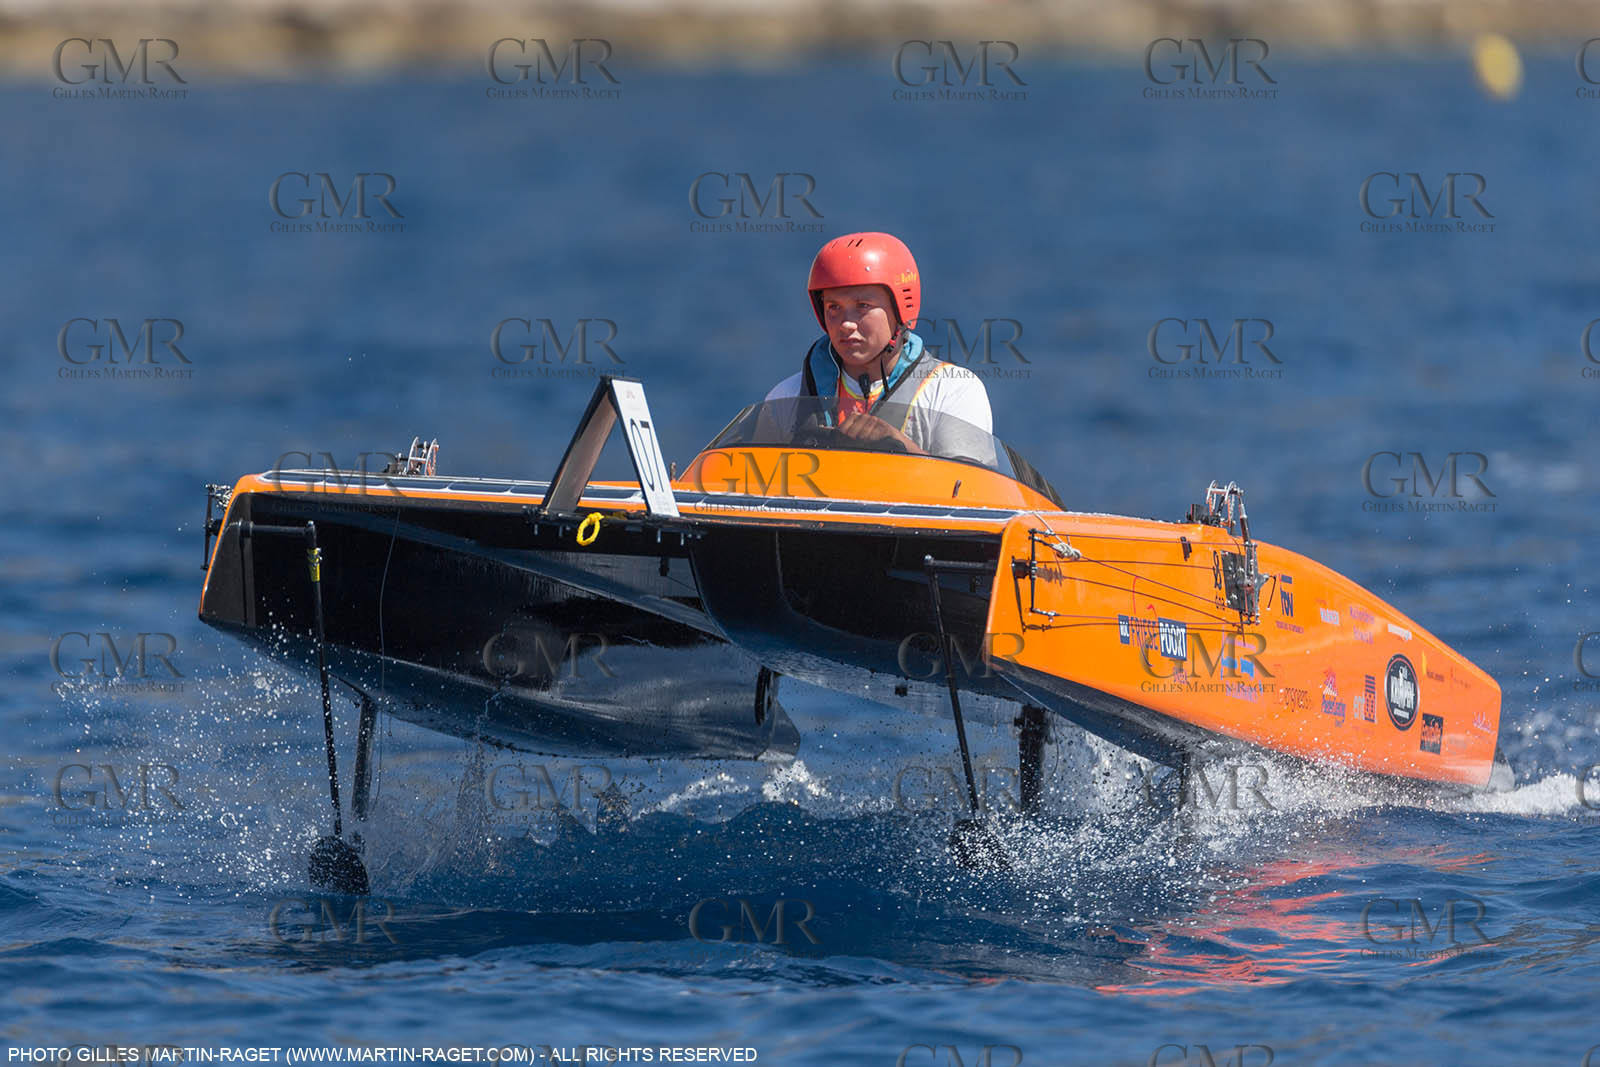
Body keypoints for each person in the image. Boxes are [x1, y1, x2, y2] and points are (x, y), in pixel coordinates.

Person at [763, 232, 995, 464]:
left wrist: (902, 446)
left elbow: (973, 492)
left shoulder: (953, 390)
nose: (846, 323)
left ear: (901, 308)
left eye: (863, 306)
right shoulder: (787, 396)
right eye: (834, 307)